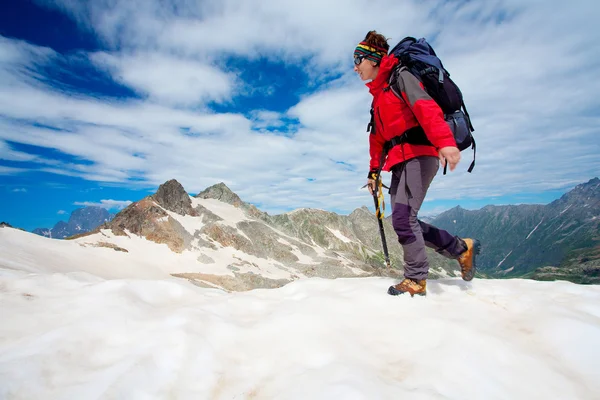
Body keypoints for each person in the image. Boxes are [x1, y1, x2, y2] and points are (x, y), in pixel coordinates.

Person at [354, 31, 481, 297]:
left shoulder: (401, 77)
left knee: (403, 218)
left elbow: (425, 107)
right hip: (399, 160)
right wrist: (374, 172)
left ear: (375, 59)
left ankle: (415, 279)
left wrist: (445, 141)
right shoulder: (379, 97)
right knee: (404, 219)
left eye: (359, 59)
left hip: (420, 154)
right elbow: (377, 138)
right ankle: (460, 248)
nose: (355, 67)